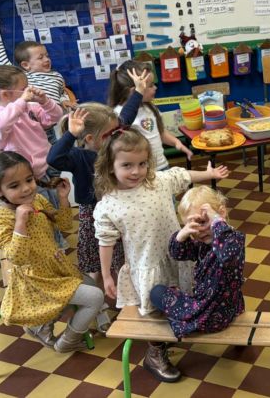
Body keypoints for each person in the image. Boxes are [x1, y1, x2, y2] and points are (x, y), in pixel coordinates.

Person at [93, 127, 228, 382]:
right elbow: (105, 241)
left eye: (142, 163)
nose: (136, 171)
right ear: (110, 166)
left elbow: (182, 175)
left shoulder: (157, 181)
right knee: (154, 312)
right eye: (127, 165)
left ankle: (177, 330)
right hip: (147, 265)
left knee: (179, 296)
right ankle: (155, 353)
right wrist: (106, 275)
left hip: (177, 257)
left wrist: (207, 174)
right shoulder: (109, 204)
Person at [0, 151, 104, 353]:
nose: (25, 189)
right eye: (14, 186)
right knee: (95, 297)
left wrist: (63, 199)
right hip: (36, 282)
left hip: (56, 269)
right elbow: (17, 257)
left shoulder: (38, 200)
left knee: (91, 284)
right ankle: (67, 341)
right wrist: (20, 223)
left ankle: (42, 325)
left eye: (29, 180)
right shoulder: (1, 219)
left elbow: (64, 225)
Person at [46, 105, 123, 333]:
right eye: (112, 134)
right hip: (92, 214)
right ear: (91, 138)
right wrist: (70, 134)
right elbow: (54, 157)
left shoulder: (114, 149)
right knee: (94, 265)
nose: (118, 136)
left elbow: (125, 119)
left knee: (118, 260)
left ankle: (123, 302)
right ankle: (97, 309)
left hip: (117, 212)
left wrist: (137, 92)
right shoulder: (79, 156)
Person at [0, 64, 67, 250]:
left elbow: (56, 117)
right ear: (5, 94)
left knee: (51, 209)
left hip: (45, 169)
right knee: (38, 214)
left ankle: (56, 242)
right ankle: (50, 247)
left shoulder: (30, 108)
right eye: (24, 88)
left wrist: (45, 101)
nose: (29, 90)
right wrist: (21, 102)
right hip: (26, 177)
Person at [150, 186, 245, 338]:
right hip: (226, 308)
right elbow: (178, 254)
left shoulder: (232, 239)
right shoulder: (205, 242)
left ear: (221, 213)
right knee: (166, 290)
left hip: (210, 316)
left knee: (157, 292)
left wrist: (216, 221)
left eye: (202, 221)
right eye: (192, 225)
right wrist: (182, 235)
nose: (199, 230)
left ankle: (165, 338)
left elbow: (228, 256)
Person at [0, 20, 70, 143]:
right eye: (40, 57)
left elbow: (61, 92)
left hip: (54, 121)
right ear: (26, 65)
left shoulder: (57, 76)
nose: (46, 59)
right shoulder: (24, 77)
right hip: (33, 121)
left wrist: (65, 100)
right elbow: (1, 60)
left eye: (47, 56)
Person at [109, 61, 193, 171]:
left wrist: (177, 143)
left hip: (162, 166)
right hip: (142, 173)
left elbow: (160, 132)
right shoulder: (119, 116)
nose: (155, 88)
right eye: (150, 85)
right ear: (135, 91)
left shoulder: (149, 107)